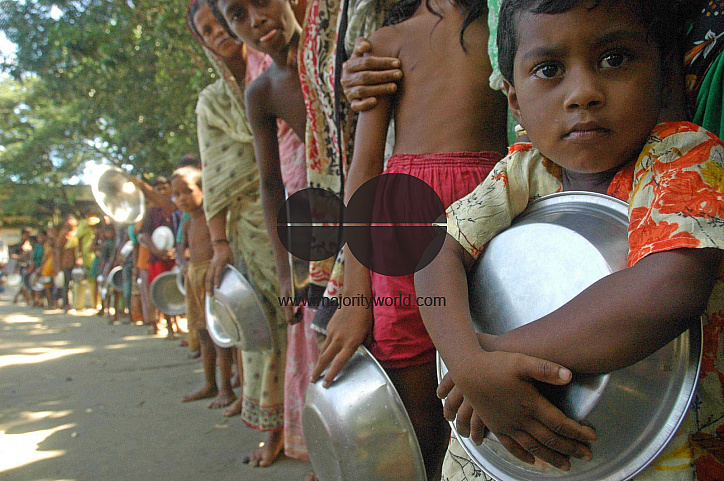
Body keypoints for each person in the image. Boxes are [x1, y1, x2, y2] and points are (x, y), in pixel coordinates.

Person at [413, 1, 724, 479]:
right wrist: (467, 362)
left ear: (661, 73)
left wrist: (493, 357)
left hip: (653, 444)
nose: (584, 92)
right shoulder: (523, 171)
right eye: (550, 69)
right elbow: (435, 253)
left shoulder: (683, 160)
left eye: (614, 59)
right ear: (514, 101)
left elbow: (668, 290)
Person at [308, 0, 509, 477]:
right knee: (414, 401)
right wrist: (355, 298)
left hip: (492, 214)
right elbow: (364, 169)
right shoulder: (386, 43)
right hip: (399, 223)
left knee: (485, 384)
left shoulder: (509, 23)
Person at [211, 0, 319, 460]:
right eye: (237, 15)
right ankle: (327, 447)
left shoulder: (335, 57)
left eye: (262, 2)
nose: (256, 20)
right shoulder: (262, 92)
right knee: (318, 337)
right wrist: (284, 273)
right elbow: (271, 185)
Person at [187, 0, 287, 466]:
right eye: (207, 31)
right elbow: (215, 176)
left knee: (308, 321)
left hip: (302, 202)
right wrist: (221, 243)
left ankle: (310, 428)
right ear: (205, 42)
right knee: (262, 326)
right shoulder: (211, 102)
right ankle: (272, 429)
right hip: (250, 226)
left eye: (218, 22)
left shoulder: (275, 61)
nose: (219, 34)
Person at [172, 166, 237, 409]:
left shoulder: (214, 218)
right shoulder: (188, 224)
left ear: (203, 189)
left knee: (221, 335)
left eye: (187, 191)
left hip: (214, 277)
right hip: (194, 277)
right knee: (202, 333)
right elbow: (184, 250)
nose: (182, 199)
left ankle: (227, 388)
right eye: (176, 194)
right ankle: (210, 384)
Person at [138, 177, 177, 337]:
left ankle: (177, 324)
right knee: (162, 292)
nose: (162, 192)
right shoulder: (151, 212)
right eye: (158, 189)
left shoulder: (177, 209)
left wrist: (175, 251)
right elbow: (145, 234)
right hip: (157, 259)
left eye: (164, 188)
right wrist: (156, 251)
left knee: (177, 290)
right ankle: (168, 327)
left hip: (175, 257)